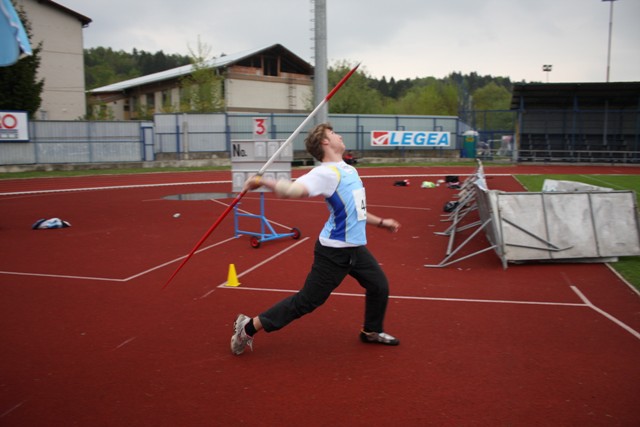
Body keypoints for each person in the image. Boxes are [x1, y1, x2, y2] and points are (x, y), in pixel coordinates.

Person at [230, 123, 401, 355]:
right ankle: (247, 327)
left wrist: (382, 222)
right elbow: (291, 191)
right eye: (333, 133)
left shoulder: (348, 170)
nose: (340, 135)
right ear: (325, 142)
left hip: (355, 249)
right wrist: (262, 181)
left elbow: (357, 211)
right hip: (333, 252)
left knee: (379, 285)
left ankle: (371, 331)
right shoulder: (325, 173)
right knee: (306, 302)